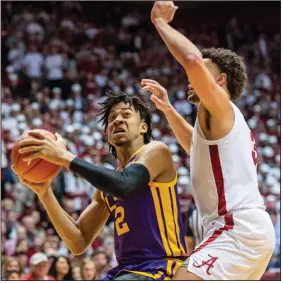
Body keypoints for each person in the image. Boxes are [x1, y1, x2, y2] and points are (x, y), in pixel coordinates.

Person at [140, 1, 275, 280]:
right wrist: (168, 110)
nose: (191, 79)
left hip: (235, 228)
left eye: (205, 70)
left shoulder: (220, 106)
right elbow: (195, 146)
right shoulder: (222, 123)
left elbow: (191, 60)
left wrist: (160, 22)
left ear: (220, 79)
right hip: (246, 229)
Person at [13, 91, 187, 280]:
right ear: (107, 135)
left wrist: (64, 157)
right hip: (125, 271)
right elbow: (78, 241)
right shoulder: (107, 184)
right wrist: (45, 193)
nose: (118, 120)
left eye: (126, 115)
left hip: (159, 267)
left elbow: (126, 185)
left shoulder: (156, 151)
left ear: (143, 127)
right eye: (112, 117)